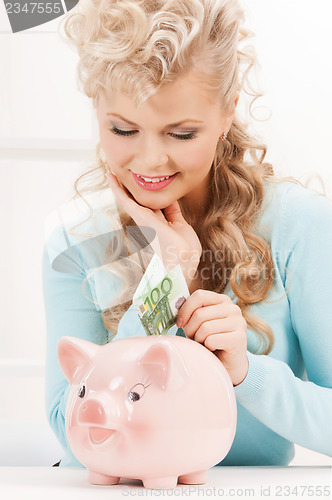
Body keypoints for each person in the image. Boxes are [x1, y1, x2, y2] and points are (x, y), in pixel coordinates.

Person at [43, 0, 332, 467]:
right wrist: (167, 275)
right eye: (123, 129)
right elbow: (67, 427)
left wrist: (244, 372)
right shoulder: (74, 240)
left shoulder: (298, 225)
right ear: (98, 108)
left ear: (227, 113)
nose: (150, 160)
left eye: (181, 134)